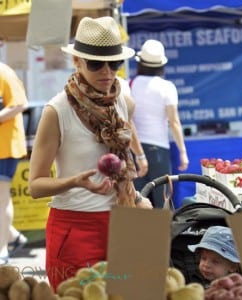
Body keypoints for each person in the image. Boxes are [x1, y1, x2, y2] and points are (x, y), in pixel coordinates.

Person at [28, 16, 152, 291]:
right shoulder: (56, 111)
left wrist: (137, 196)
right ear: (77, 62)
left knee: (136, 295)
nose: (107, 72)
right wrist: (74, 181)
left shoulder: (122, 100)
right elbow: (35, 186)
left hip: (125, 221)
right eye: (96, 63)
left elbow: (123, 154)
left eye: (114, 63)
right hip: (75, 229)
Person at [130, 39, 189, 208]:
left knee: (136, 201)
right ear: (161, 65)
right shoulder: (167, 87)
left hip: (135, 149)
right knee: (163, 201)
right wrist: (183, 152)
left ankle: (136, 234)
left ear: (140, 63)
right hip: (158, 150)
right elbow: (174, 121)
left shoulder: (129, 84)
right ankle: (164, 235)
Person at [0, 62, 28, 265]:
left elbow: (20, 103)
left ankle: (2, 250)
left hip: (6, 148)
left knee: (1, 199)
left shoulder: (4, 72)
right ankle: (13, 236)